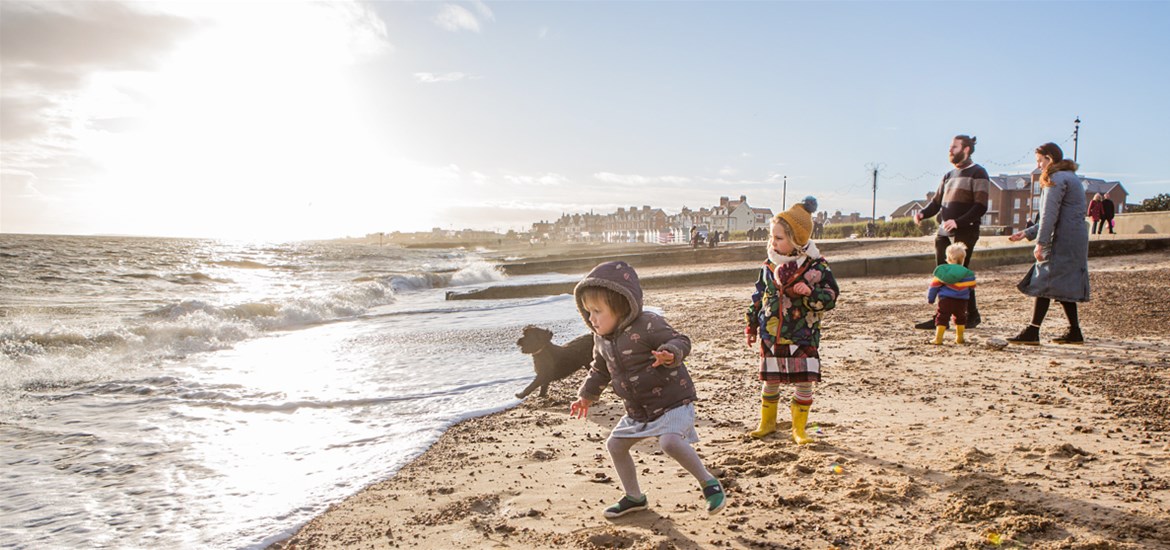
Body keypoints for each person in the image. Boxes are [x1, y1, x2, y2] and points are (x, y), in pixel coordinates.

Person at [568, 261, 727, 518]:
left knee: (670, 442)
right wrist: (585, 396)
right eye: (587, 312)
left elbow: (680, 340)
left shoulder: (648, 324)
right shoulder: (600, 339)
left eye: (597, 311)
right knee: (615, 445)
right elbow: (600, 370)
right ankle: (634, 497)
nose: (591, 318)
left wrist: (669, 354)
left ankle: (709, 483)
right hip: (638, 410)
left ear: (621, 306)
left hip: (672, 401)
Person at [745, 197, 840, 444]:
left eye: (779, 238)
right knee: (770, 381)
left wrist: (809, 294)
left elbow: (831, 297)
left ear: (797, 240)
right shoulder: (768, 265)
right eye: (772, 237)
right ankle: (767, 423)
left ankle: (799, 429)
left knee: (804, 381)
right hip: (771, 332)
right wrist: (751, 324)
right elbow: (758, 295)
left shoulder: (816, 266)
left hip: (802, 332)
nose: (773, 242)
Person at [1006, 142, 1090, 345]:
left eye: (1040, 161)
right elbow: (1056, 216)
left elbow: (1049, 216)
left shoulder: (1055, 179)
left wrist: (1041, 243)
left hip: (1060, 240)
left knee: (1043, 280)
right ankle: (1074, 331)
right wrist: (1027, 233)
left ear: (1049, 159)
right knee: (1065, 283)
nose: (1039, 166)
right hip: (1076, 239)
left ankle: (1033, 331)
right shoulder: (1071, 178)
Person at [913, 135, 989, 330]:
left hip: (965, 231)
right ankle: (941, 318)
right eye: (950, 147)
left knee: (960, 274)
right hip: (943, 233)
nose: (950, 150)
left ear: (966, 150)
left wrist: (958, 222)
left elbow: (980, 206)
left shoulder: (978, 173)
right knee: (942, 273)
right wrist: (922, 213)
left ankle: (971, 315)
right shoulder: (948, 175)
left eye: (954, 147)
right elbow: (936, 203)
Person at [927, 243, 976, 345]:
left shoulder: (943, 272)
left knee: (942, 317)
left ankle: (938, 338)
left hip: (946, 300)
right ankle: (959, 338)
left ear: (948, 258)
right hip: (962, 301)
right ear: (963, 259)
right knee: (961, 317)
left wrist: (931, 299)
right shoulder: (967, 273)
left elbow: (934, 286)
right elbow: (972, 286)